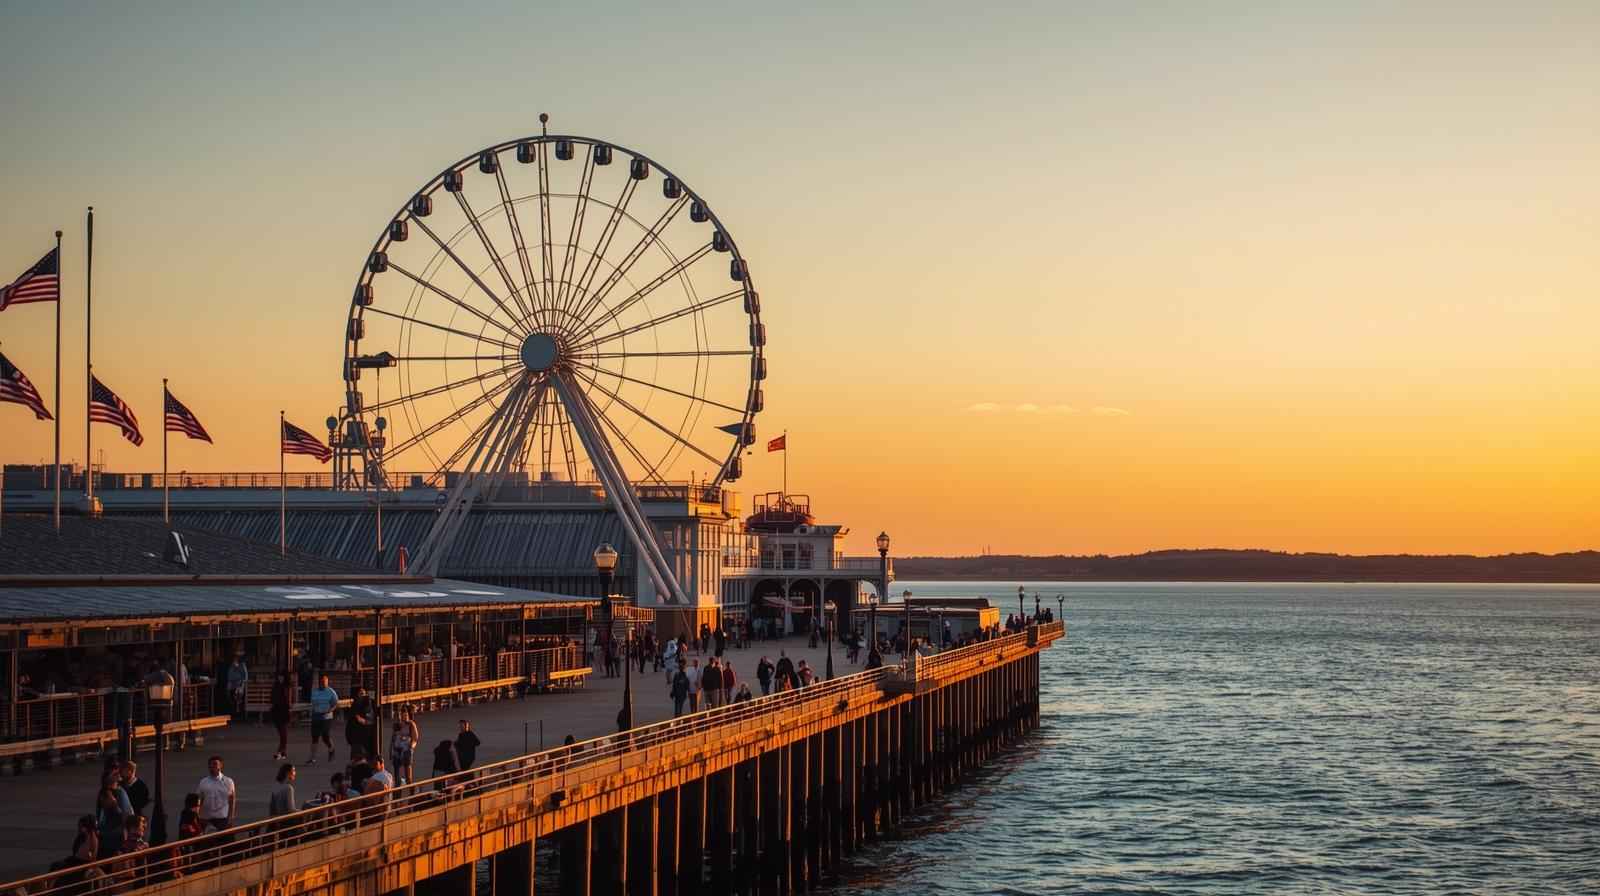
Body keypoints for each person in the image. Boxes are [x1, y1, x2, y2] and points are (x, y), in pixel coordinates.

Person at [196, 755, 236, 832]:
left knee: (223, 841)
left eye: (215, 764)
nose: (212, 766)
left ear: (221, 766)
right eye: (210, 764)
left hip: (222, 818)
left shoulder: (228, 781)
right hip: (206, 818)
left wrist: (231, 817)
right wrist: (197, 816)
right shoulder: (203, 782)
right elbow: (199, 799)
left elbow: (232, 800)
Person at [308, 673, 338, 764]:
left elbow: (335, 704)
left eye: (325, 682)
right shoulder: (314, 691)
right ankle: (312, 758)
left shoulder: (331, 692)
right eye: (322, 682)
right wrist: (313, 710)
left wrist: (330, 710)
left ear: (327, 682)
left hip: (326, 717)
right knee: (314, 738)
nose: (324, 684)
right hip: (316, 716)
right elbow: (312, 703)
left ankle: (331, 749)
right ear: (319, 683)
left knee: (325, 737)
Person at [347, 686, 376, 761]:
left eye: (364, 693)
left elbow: (371, 719)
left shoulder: (370, 704)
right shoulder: (355, 706)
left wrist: (365, 721)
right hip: (357, 739)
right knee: (357, 760)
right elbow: (350, 724)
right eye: (360, 694)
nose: (363, 696)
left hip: (368, 738)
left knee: (368, 759)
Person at [95, 786, 126, 858]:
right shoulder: (104, 809)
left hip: (111, 847)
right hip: (105, 845)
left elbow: (119, 831)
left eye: (105, 798)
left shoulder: (117, 812)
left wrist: (100, 833)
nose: (101, 801)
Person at [270, 670, 294, 761]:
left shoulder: (287, 686)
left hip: (284, 712)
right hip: (277, 712)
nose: (280, 678)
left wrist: (290, 707)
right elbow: (272, 698)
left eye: (282, 676)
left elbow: (289, 699)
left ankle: (280, 752)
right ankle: (282, 753)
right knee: (282, 734)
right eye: (279, 676)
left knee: (284, 734)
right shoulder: (276, 686)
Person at [391, 711, 419, 785]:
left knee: (408, 776)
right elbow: (393, 738)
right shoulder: (396, 725)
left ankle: (411, 792)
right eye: (401, 715)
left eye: (406, 715)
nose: (404, 717)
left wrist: (411, 747)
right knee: (397, 775)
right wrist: (391, 751)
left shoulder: (411, 724)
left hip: (406, 750)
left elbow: (415, 739)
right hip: (396, 751)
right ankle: (397, 792)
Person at [226, 652, 249, 721]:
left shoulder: (242, 665)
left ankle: (239, 714)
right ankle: (234, 713)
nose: (235, 660)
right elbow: (229, 676)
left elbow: (245, 677)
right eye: (234, 658)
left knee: (239, 699)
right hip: (232, 686)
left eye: (236, 658)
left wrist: (241, 682)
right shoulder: (231, 666)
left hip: (240, 686)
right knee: (232, 699)